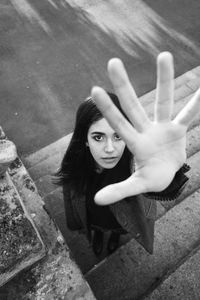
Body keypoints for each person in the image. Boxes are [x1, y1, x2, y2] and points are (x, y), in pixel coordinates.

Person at [55, 52, 200, 256]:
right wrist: (76, 225)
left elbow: (151, 186)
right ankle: (97, 235)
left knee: (117, 230)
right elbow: (70, 201)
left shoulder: (139, 160)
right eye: (98, 137)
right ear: (84, 140)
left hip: (122, 222)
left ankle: (114, 236)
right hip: (93, 219)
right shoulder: (74, 165)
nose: (109, 149)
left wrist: (168, 178)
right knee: (96, 229)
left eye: (117, 136)